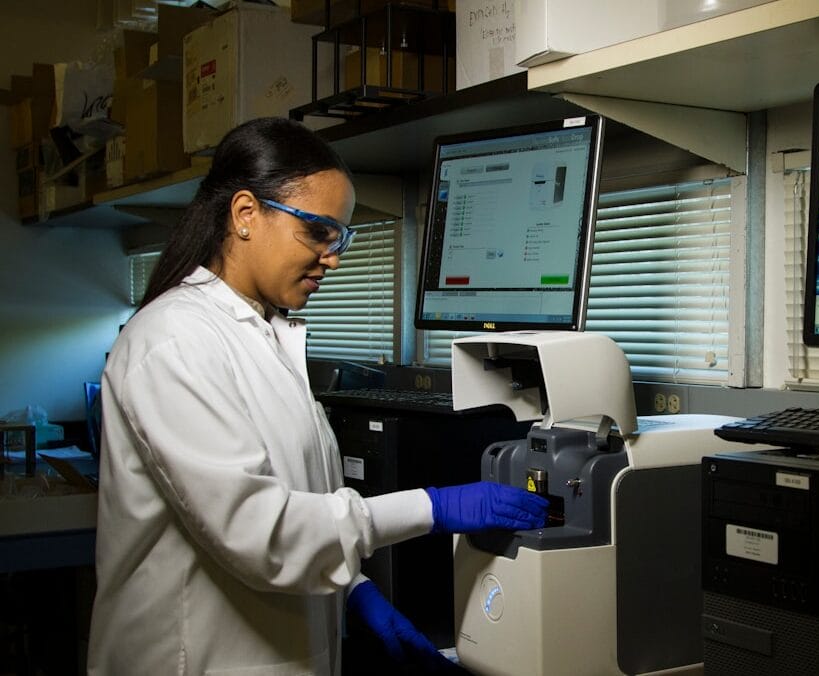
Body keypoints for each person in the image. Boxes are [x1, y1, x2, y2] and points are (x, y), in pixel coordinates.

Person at [86, 117, 548, 675]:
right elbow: (261, 532)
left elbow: (304, 502)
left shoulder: (266, 336)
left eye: (341, 236)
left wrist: (352, 591)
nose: (334, 257)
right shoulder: (174, 341)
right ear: (245, 215)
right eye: (318, 231)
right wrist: (433, 506)